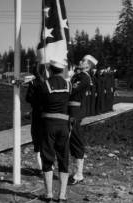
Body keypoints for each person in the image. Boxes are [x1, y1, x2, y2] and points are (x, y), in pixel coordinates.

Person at [39, 59, 71, 202]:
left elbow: (38, 103)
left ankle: (49, 194)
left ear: (50, 69)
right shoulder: (69, 85)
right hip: (64, 125)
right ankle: (62, 195)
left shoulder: (44, 85)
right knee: (63, 158)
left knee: (48, 158)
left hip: (48, 125)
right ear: (61, 70)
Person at [68, 54, 98, 185]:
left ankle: (79, 174)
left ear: (89, 65)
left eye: (83, 60)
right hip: (70, 110)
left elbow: (71, 90)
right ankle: (75, 172)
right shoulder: (78, 76)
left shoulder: (84, 78)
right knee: (71, 141)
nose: (80, 61)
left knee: (76, 141)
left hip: (76, 111)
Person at [25, 63, 45, 172]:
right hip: (47, 113)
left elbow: (28, 98)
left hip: (36, 113)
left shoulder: (33, 83)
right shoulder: (47, 82)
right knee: (46, 139)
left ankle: (41, 167)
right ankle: (48, 165)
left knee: (36, 139)